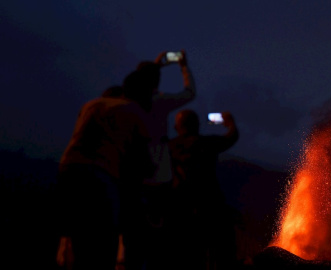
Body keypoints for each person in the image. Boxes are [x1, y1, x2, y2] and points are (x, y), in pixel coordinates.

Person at [55, 68, 158, 270]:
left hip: (69, 169)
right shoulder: (135, 112)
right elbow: (143, 162)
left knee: (77, 236)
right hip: (101, 175)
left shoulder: (92, 105)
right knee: (104, 239)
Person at [120, 50, 196, 270]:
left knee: (132, 233)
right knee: (158, 234)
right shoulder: (160, 101)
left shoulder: (125, 102)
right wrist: (183, 67)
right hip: (159, 175)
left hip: (132, 174)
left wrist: (153, 69)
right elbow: (189, 92)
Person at [167, 109, 239, 270]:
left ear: (176, 127)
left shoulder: (170, 147)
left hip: (180, 207)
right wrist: (230, 122)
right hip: (210, 205)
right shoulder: (208, 143)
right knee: (221, 249)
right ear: (197, 126)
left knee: (188, 254)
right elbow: (232, 137)